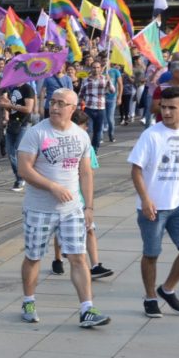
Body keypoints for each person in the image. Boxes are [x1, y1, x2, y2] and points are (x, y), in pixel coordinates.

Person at [16, 88, 110, 328]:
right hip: (39, 209)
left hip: (72, 210)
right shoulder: (36, 133)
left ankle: (87, 309)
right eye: (52, 102)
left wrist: (89, 207)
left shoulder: (80, 135)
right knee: (34, 257)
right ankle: (28, 301)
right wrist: (52, 187)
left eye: (61, 104)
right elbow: (24, 169)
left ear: (73, 108)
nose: (55, 107)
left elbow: (86, 172)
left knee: (78, 258)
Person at [129, 87, 179, 318]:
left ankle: (167, 289)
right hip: (153, 207)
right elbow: (136, 170)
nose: (167, 112)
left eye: (172, 107)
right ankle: (150, 297)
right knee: (151, 254)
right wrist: (146, 199)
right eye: (164, 107)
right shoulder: (151, 135)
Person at [51, 110, 113, 280]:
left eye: (84, 128)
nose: (83, 131)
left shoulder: (87, 147)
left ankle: (95, 265)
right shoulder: (60, 144)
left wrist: (89, 202)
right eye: (81, 127)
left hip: (81, 198)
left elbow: (90, 174)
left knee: (90, 229)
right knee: (59, 230)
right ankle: (57, 258)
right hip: (64, 197)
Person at [2, 81, 36, 190]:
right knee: (10, 152)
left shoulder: (27, 89)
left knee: (17, 150)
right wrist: (5, 105)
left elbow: (28, 109)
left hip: (23, 123)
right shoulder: (12, 88)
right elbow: (11, 107)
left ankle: (21, 179)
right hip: (12, 123)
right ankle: (21, 176)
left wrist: (9, 105)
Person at [78, 60, 114, 151]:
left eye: (98, 67)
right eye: (94, 67)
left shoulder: (105, 79)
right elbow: (81, 94)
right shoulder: (86, 80)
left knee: (98, 131)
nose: (96, 69)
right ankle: (85, 148)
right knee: (88, 130)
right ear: (91, 68)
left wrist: (109, 82)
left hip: (100, 108)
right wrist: (79, 107)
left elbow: (112, 91)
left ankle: (94, 150)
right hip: (88, 108)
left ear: (101, 69)